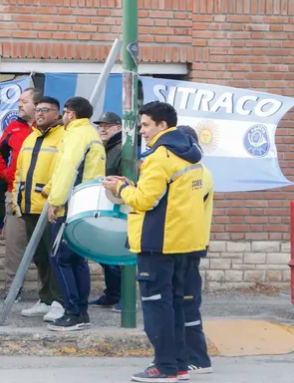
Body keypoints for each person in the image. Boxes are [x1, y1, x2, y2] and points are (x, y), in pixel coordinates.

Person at [102, 102, 207, 383]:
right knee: (172, 305)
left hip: (157, 242)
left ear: (163, 125)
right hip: (180, 241)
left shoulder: (160, 157)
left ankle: (164, 367)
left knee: (156, 306)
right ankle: (179, 364)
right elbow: (164, 196)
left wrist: (121, 188)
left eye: (146, 125)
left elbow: (145, 200)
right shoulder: (188, 153)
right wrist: (133, 184)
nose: (143, 131)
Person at [44, 97, 106, 331]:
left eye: (65, 113)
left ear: (70, 114)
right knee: (77, 259)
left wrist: (56, 201)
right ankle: (81, 312)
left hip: (70, 205)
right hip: (86, 204)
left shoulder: (75, 136)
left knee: (59, 258)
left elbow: (67, 169)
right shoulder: (91, 134)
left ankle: (73, 312)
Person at [13, 96, 65, 323]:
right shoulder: (31, 137)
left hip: (50, 209)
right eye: (38, 109)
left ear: (58, 113)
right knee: (40, 257)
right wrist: (17, 199)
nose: (41, 113)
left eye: (46, 110)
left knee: (55, 258)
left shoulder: (64, 138)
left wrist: (51, 195)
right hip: (29, 207)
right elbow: (19, 172)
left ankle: (59, 301)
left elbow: (64, 171)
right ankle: (45, 299)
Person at [177, 126, 214, 375]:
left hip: (188, 245)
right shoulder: (191, 172)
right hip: (183, 244)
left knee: (188, 303)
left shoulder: (198, 173)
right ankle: (185, 356)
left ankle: (199, 358)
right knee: (181, 303)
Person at [0, 88, 36, 295]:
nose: (19, 104)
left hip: (42, 196)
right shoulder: (13, 127)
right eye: (19, 101)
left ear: (37, 105)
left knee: (45, 246)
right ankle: (13, 291)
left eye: (24, 101)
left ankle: (49, 296)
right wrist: (5, 173)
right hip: (15, 194)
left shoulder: (50, 129)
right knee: (13, 246)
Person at [90, 111, 123, 311]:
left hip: (116, 206)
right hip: (104, 204)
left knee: (115, 256)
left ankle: (123, 297)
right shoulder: (107, 148)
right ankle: (111, 294)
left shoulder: (121, 150)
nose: (102, 128)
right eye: (100, 125)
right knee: (105, 255)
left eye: (107, 126)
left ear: (119, 128)